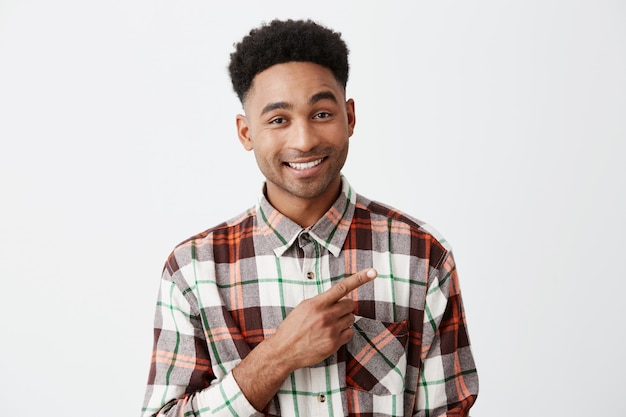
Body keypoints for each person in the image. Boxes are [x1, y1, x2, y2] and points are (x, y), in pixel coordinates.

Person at [141, 19, 478, 417]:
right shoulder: (193, 271)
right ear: (246, 133)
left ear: (349, 117)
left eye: (320, 114)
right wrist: (277, 356)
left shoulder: (423, 256)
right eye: (278, 120)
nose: (303, 141)